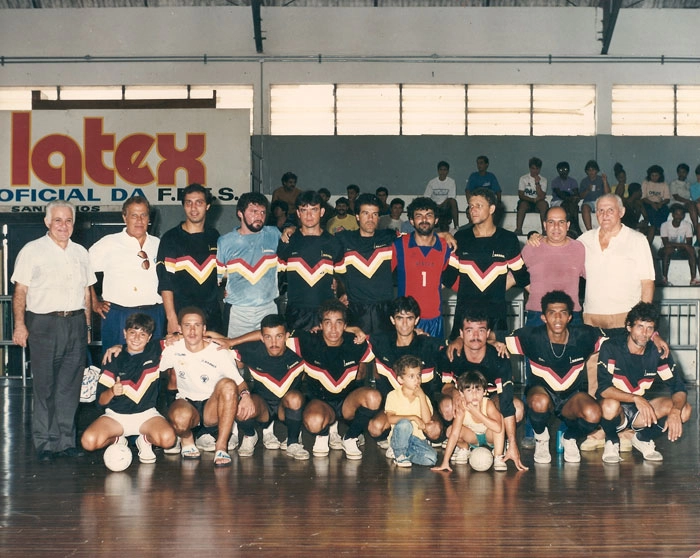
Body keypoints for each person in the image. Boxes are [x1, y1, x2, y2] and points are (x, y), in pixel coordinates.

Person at [11, 200, 96, 461]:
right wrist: (20, 324)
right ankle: (45, 443)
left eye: (68, 220)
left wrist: (88, 327)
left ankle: (65, 441)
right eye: (57, 220)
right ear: (47, 222)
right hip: (43, 324)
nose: (63, 225)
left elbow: (86, 293)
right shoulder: (32, 250)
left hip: (75, 324)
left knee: (69, 387)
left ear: (74, 223)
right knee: (45, 387)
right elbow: (20, 291)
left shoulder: (81, 252)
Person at [504, 291, 605, 464]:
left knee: (594, 414)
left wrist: (653, 337)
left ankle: (569, 438)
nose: (557, 319)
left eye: (563, 313)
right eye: (552, 313)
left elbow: (618, 338)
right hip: (542, 394)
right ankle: (541, 439)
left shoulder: (584, 336)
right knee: (538, 401)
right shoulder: (531, 337)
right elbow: (494, 338)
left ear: (570, 317)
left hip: (572, 398)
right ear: (543, 317)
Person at [597, 302, 692, 463]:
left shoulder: (658, 353)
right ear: (629, 327)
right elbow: (604, 388)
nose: (644, 333)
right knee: (609, 405)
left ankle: (642, 438)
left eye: (649, 328)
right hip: (615, 409)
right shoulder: (611, 347)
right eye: (640, 327)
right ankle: (611, 441)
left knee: (685, 410)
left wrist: (675, 411)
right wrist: (636, 398)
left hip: (639, 413)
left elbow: (678, 387)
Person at [161, 307, 251, 467]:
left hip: (213, 406)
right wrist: (120, 347)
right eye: (187, 325)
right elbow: (145, 352)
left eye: (197, 325)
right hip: (187, 403)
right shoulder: (172, 348)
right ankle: (187, 440)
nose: (192, 330)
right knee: (180, 420)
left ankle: (221, 447)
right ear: (180, 329)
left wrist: (245, 395)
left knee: (228, 385)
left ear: (204, 329)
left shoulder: (218, 351)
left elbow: (239, 382)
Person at [81, 313, 176, 464]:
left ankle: (145, 440)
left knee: (168, 440)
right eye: (132, 332)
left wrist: (175, 335)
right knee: (89, 442)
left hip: (146, 415)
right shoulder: (112, 357)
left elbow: (187, 336)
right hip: (116, 417)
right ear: (124, 333)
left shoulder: (156, 349)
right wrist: (112, 391)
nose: (137, 338)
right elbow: (101, 400)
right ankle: (117, 439)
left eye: (142, 334)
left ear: (149, 337)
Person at [439, 310, 525, 471]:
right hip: (466, 407)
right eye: (469, 330)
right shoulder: (451, 354)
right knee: (447, 406)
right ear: (461, 334)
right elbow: (445, 388)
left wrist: (513, 443)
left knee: (517, 408)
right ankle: (464, 444)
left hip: (491, 403)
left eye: (481, 330)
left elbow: (506, 401)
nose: (475, 336)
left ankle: (501, 445)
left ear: (488, 334)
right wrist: (455, 393)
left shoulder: (500, 357)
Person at [295, 299, 379, 460]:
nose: (333, 329)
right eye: (328, 323)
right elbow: (272, 335)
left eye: (338, 323)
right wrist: (233, 341)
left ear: (345, 325)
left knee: (373, 397)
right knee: (313, 422)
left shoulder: (356, 341)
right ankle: (323, 434)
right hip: (321, 402)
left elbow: (393, 339)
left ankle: (350, 437)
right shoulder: (309, 341)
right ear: (320, 325)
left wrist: (417, 333)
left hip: (347, 404)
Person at [446, 187, 529, 339]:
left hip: (496, 319)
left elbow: (522, 277)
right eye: (471, 206)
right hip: (464, 317)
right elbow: (448, 278)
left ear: (492, 209)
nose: (473, 210)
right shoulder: (461, 237)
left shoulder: (508, 239)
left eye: (479, 205)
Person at [366, 296, 444, 449]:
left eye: (409, 318)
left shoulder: (428, 344)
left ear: (417, 320)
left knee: (435, 431)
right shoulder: (382, 342)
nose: (404, 324)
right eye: (399, 318)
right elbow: (353, 336)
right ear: (392, 320)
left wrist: (459, 341)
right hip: (393, 408)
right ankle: (395, 437)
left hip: (422, 406)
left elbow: (455, 347)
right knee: (374, 428)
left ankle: (416, 438)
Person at [89, 196, 164, 353]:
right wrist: (94, 301)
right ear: (124, 217)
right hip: (118, 314)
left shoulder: (159, 244)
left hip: (153, 313)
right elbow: (84, 270)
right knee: (114, 365)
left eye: (143, 215)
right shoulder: (108, 243)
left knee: (151, 368)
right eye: (133, 215)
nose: (139, 220)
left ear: (149, 217)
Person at [230, 314, 308, 460]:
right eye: (268, 337)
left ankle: (293, 442)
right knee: (241, 406)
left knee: (295, 398)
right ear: (261, 337)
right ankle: (250, 435)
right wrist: (178, 337)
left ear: (286, 335)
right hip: (263, 406)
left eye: (278, 336)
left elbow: (333, 333)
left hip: (286, 407)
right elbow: (219, 343)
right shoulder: (253, 350)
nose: (274, 342)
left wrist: (356, 331)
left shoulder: (298, 347)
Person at [156, 183, 222, 335]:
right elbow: (165, 281)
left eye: (199, 202)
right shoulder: (170, 238)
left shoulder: (214, 236)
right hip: (182, 315)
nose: (193, 208)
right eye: (188, 203)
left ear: (208, 206)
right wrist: (171, 317)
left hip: (212, 317)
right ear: (183, 206)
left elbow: (222, 271)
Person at [217, 192, 282, 339]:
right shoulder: (225, 242)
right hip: (238, 312)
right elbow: (219, 277)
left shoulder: (274, 234)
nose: (259, 216)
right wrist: (222, 289)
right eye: (253, 212)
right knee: (236, 357)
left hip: (268, 308)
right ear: (240, 213)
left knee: (269, 356)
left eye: (263, 212)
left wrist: (291, 230)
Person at [277, 190, 344, 332]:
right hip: (296, 314)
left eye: (314, 209)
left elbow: (342, 278)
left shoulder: (334, 243)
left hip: (326, 314)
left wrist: (339, 287)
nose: (308, 215)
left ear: (322, 212)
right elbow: (276, 278)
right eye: (304, 210)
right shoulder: (287, 241)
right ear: (298, 213)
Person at [335, 193, 397, 335]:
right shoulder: (343, 239)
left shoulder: (389, 237)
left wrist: (443, 235)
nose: (371, 219)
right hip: (356, 310)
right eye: (366, 213)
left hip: (384, 309)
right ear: (357, 216)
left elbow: (418, 238)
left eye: (375, 214)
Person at [392, 197, 452, 338]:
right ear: (412, 221)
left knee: (435, 359)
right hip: (406, 320)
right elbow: (380, 277)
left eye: (429, 215)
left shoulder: (446, 247)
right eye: (419, 216)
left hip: (435, 319)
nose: (424, 220)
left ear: (436, 220)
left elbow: (455, 280)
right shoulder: (399, 245)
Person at [521, 206, 586, 326]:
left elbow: (594, 277)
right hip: (537, 315)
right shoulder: (531, 247)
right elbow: (516, 276)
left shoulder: (579, 248)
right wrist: (535, 290)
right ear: (545, 225)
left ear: (568, 225)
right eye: (551, 222)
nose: (556, 227)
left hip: (571, 315)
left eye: (561, 222)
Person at [432, 371, 504, 473]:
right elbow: (454, 434)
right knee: (450, 430)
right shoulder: (462, 407)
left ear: (484, 392)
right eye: (469, 390)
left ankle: (498, 456)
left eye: (478, 390)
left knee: (499, 419)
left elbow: (498, 428)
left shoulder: (488, 404)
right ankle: (464, 448)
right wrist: (445, 461)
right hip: (472, 438)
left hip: (490, 437)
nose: (474, 394)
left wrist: (477, 413)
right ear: (461, 393)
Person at [384, 355, 439, 468]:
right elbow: (390, 419)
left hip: (417, 440)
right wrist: (413, 417)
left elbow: (427, 421)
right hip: (400, 436)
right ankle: (399, 453)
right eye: (411, 376)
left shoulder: (423, 397)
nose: (417, 379)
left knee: (431, 459)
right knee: (405, 424)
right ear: (400, 379)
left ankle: (404, 454)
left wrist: (422, 397)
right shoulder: (393, 395)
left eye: (419, 375)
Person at [659, 205, 698, 286]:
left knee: (691, 249)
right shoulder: (665, 225)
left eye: (681, 214)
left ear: (683, 216)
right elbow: (666, 244)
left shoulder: (687, 225)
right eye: (676, 214)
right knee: (668, 250)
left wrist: (682, 246)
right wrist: (682, 245)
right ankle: (664, 279)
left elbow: (689, 243)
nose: (679, 216)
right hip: (665, 250)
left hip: (681, 250)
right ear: (672, 215)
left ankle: (693, 279)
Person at [514, 157, 548, 235]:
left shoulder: (543, 180)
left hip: (538, 202)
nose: (535, 171)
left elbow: (542, 195)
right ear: (530, 168)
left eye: (537, 169)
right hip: (527, 201)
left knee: (544, 204)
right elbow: (521, 195)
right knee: (522, 204)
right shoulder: (523, 178)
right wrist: (532, 200)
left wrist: (537, 183)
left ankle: (545, 230)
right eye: (533, 168)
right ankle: (518, 229)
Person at [549, 161, 582, 237]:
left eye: (565, 169)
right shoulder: (555, 181)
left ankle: (572, 226)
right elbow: (560, 195)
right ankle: (576, 226)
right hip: (557, 201)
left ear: (568, 170)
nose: (563, 172)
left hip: (570, 202)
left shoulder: (573, 181)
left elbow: (576, 193)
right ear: (557, 171)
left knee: (574, 206)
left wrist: (574, 198)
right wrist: (571, 198)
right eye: (561, 170)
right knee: (570, 205)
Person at [425, 160, 459, 229]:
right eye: (441, 170)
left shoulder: (451, 182)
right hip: (434, 206)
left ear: (448, 171)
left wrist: (441, 205)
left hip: (445, 206)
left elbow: (451, 197)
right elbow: (426, 197)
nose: (442, 172)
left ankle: (456, 227)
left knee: (453, 202)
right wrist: (435, 205)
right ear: (438, 171)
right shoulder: (432, 182)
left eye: (445, 170)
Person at [642, 164, 671, 242]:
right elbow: (643, 197)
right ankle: (654, 228)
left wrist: (661, 203)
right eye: (652, 175)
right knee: (651, 211)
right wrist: (652, 203)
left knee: (665, 210)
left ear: (660, 176)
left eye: (656, 175)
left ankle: (660, 228)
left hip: (660, 203)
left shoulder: (664, 184)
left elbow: (667, 198)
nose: (654, 177)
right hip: (648, 202)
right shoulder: (646, 182)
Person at [579, 160, 610, 231]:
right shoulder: (584, 181)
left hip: (600, 202)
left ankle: (605, 230)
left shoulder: (601, 179)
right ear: (586, 172)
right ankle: (589, 231)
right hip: (589, 202)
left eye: (593, 170)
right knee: (585, 207)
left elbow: (607, 193)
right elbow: (581, 196)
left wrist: (605, 181)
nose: (591, 172)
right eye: (589, 170)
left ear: (597, 170)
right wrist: (587, 190)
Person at [668, 163, 697, 237]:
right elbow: (676, 197)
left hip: (685, 204)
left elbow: (692, 196)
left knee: (693, 206)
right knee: (686, 205)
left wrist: (692, 202)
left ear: (687, 173)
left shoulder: (688, 184)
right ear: (677, 173)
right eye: (679, 172)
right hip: (675, 203)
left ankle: (696, 228)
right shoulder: (673, 183)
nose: (681, 174)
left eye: (683, 172)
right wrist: (689, 201)